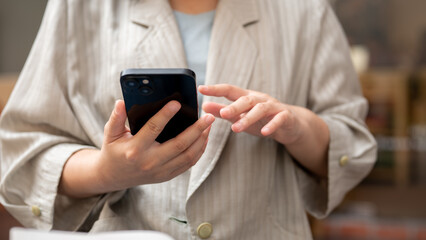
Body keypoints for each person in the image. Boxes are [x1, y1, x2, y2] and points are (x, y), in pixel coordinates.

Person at [0, 0, 377, 239]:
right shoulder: (79, 7)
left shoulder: (305, 10)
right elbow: (23, 150)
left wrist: (298, 126)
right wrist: (106, 171)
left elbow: (352, 145)